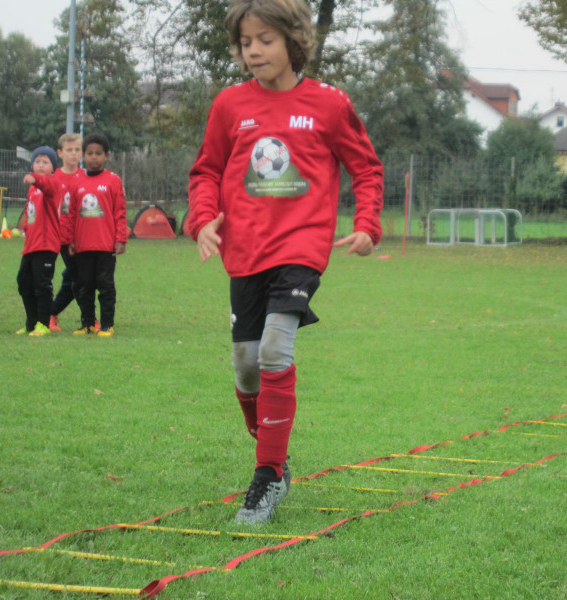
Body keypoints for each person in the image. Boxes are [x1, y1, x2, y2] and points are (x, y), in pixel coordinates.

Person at [188, 0, 383, 525]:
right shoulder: (229, 105)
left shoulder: (329, 104)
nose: (253, 50)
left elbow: (366, 169)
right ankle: (272, 449)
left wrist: (368, 224)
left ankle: (268, 474)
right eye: (245, 42)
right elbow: (206, 171)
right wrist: (202, 219)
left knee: (275, 348)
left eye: (265, 40)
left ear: (293, 41)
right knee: (246, 364)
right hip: (244, 252)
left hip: (300, 249)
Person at [64, 132, 127, 337]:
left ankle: (107, 325)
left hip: (106, 246)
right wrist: (70, 240)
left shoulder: (113, 180)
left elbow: (120, 212)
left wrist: (120, 239)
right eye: (89, 153)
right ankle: (88, 324)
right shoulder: (76, 181)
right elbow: (71, 214)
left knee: (105, 286)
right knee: (84, 287)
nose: (94, 157)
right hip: (83, 246)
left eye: (98, 153)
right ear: (83, 156)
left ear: (106, 156)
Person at [19, 146, 63, 337]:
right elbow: (31, 215)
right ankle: (31, 323)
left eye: (45, 162)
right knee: (23, 282)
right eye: (37, 161)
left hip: (46, 245)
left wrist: (35, 179)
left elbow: (46, 185)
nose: (41, 165)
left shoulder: (52, 183)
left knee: (42, 284)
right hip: (31, 245)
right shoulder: (32, 189)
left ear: (53, 167)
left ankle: (43, 324)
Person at [49, 133, 88, 332]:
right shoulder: (53, 178)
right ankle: (89, 319)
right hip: (63, 238)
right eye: (69, 150)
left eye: (77, 150)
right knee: (79, 278)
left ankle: (51, 313)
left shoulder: (86, 177)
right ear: (60, 153)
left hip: (85, 238)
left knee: (73, 279)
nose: (74, 154)